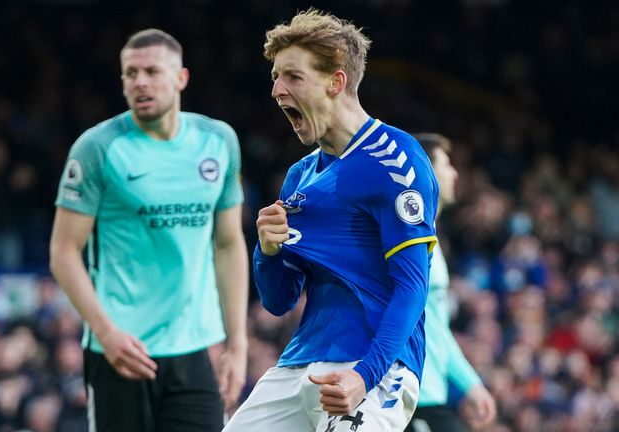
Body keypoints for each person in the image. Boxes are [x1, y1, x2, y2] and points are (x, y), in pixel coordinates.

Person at [225, 9, 438, 432]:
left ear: (335, 82)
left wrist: (365, 374)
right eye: (275, 75)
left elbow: (413, 285)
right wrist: (267, 251)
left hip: (373, 366)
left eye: (292, 77)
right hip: (299, 364)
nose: (276, 90)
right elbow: (279, 300)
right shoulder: (299, 176)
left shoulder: (394, 159)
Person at [48, 28, 248, 432]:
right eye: (130, 73)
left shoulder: (219, 141)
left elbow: (228, 244)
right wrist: (106, 333)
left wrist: (237, 344)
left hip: (194, 349)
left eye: (152, 71)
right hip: (120, 350)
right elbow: (64, 252)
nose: (139, 82)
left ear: (181, 79)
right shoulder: (97, 148)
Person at [405, 133, 496, 432]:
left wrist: (470, 384)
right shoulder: (410, 238)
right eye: (445, 164)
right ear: (426, 171)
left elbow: (436, 328)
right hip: (408, 390)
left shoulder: (429, 234)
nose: (454, 172)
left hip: (426, 391)